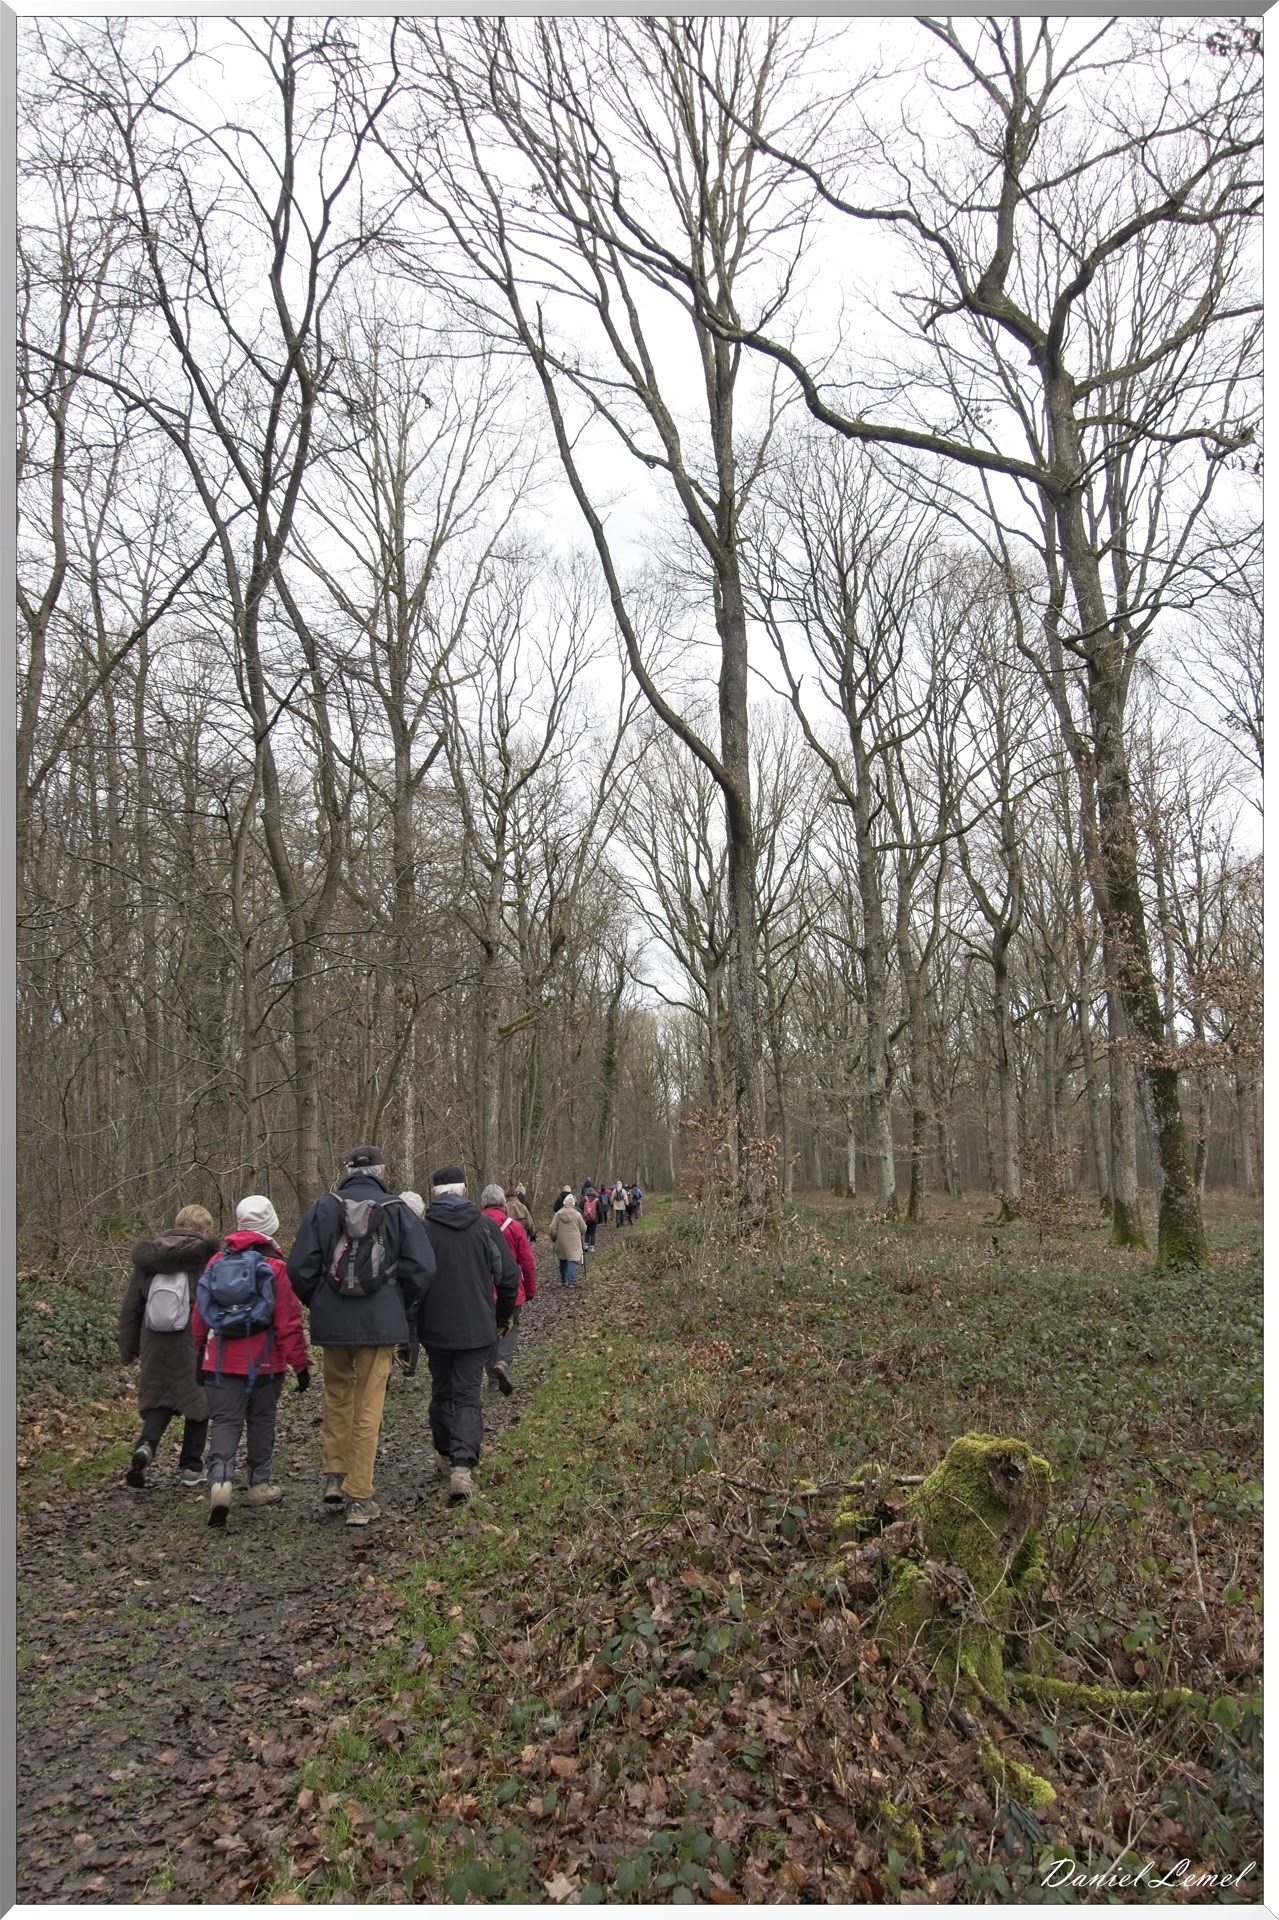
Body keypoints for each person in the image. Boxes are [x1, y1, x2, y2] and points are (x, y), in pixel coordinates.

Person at [287, 1147, 435, 1526]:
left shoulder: (324, 1207)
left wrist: (320, 1301)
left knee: (337, 1396)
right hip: (379, 1321)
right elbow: (422, 1266)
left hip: (333, 1321)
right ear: (381, 1172)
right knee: (369, 1405)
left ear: (348, 1169)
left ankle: (335, 1477)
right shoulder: (397, 1210)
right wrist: (397, 1301)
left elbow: (299, 1267)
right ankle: (359, 1496)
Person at [192, 1195, 311, 1528]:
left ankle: (220, 1483)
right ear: (271, 1223)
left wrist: (198, 1350)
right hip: (265, 1363)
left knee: (225, 1422)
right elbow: (288, 1322)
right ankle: (259, 1484)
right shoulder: (277, 1266)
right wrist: (300, 1364)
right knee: (261, 1419)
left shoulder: (217, 1261)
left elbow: (200, 1314)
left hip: (220, 1361)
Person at [418, 1166, 519, 1501]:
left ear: (433, 1194)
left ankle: (445, 1455)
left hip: (434, 1328)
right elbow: (508, 1275)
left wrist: (411, 1326)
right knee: (467, 1397)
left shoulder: (423, 1230)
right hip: (476, 1325)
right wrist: (502, 1315)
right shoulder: (484, 1226)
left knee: (441, 1391)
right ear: (464, 1192)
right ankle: (461, 1469)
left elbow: (410, 1280)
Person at [119, 1203, 221, 1491]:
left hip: (154, 1339)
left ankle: (146, 1446)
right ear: (205, 1229)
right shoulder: (207, 1258)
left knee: (159, 1397)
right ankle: (191, 1467)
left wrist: (129, 1347)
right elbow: (215, 1299)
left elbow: (131, 1306)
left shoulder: (150, 1257)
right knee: (198, 1401)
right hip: (193, 1339)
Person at [480, 1183, 536, 1395]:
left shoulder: (474, 1225)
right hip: (511, 1288)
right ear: (503, 1203)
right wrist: (530, 1289)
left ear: (483, 1203)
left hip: (483, 1290)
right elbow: (527, 1261)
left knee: (488, 1331)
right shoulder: (514, 1227)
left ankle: (492, 1377)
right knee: (510, 1326)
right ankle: (502, 1363)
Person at [550, 1190, 587, 1286]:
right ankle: (571, 1281)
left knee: (562, 1259)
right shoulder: (577, 1215)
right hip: (574, 1241)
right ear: (573, 1203)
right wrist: (580, 1233)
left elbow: (552, 1229)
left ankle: (563, 1279)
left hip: (561, 1240)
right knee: (572, 1260)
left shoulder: (558, 1214)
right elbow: (583, 1228)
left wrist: (554, 1238)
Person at [580, 1184, 600, 1252]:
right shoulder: (597, 1200)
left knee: (587, 1232)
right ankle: (592, 1246)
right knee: (593, 1233)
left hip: (586, 1218)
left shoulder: (584, 1199)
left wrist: (582, 1217)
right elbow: (600, 1211)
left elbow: (580, 1208)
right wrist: (600, 1220)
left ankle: (586, 1244)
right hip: (594, 1219)